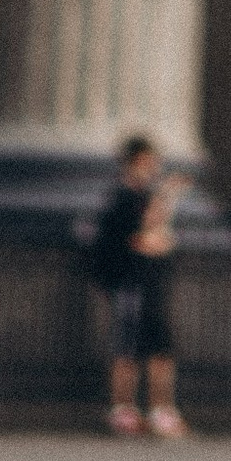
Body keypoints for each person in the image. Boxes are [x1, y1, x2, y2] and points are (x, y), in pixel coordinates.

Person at [89, 135, 186, 438]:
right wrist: (166, 195)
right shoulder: (123, 197)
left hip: (153, 278)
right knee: (128, 347)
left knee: (160, 347)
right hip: (131, 280)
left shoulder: (141, 195)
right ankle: (123, 409)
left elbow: (160, 237)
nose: (153, 168)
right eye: (148, 162)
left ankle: (161, 410)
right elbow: (142, 229)